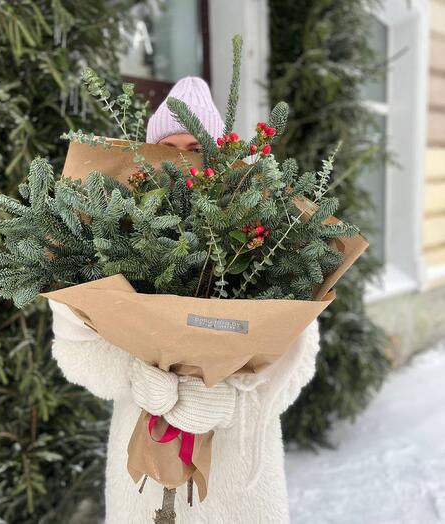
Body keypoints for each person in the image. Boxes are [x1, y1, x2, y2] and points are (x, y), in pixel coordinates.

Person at [50, 77, 320, 524]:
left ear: (218, 154)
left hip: (238, 492)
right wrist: (142, 378)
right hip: (144, 485)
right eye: (167, 145)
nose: (180, 158)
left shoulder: (265, 232)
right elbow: (78, 349)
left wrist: (230, 398)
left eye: (194, 145)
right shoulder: (116, 230)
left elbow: (296, 357)